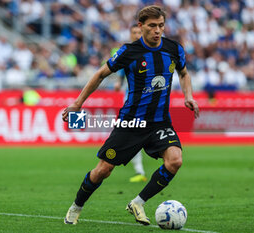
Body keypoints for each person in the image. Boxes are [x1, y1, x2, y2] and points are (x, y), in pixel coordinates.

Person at [62, 5, 199, 226]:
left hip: (160, 122)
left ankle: (138, 202)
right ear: (141, 26)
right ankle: (76, 206)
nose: (157, 30)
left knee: (175, 161)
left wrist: (188, 95)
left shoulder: (174, 49)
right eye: (152, 26)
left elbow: (183, 73)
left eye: (161, 26)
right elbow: (100, 74)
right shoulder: (128, 52)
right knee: (103, 170)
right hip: (132, 123)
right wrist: (78, 103)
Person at [114, 24, 147, 183]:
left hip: (148, 101)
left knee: (136, 134)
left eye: (139, 32)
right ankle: (140, 170)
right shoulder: (128, 52)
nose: (136, 35)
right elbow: (120, 71)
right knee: (134, 134)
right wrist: (118, 83)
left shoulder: (150, 52)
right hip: (130, 100)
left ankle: (140, 169)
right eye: (133, 32)